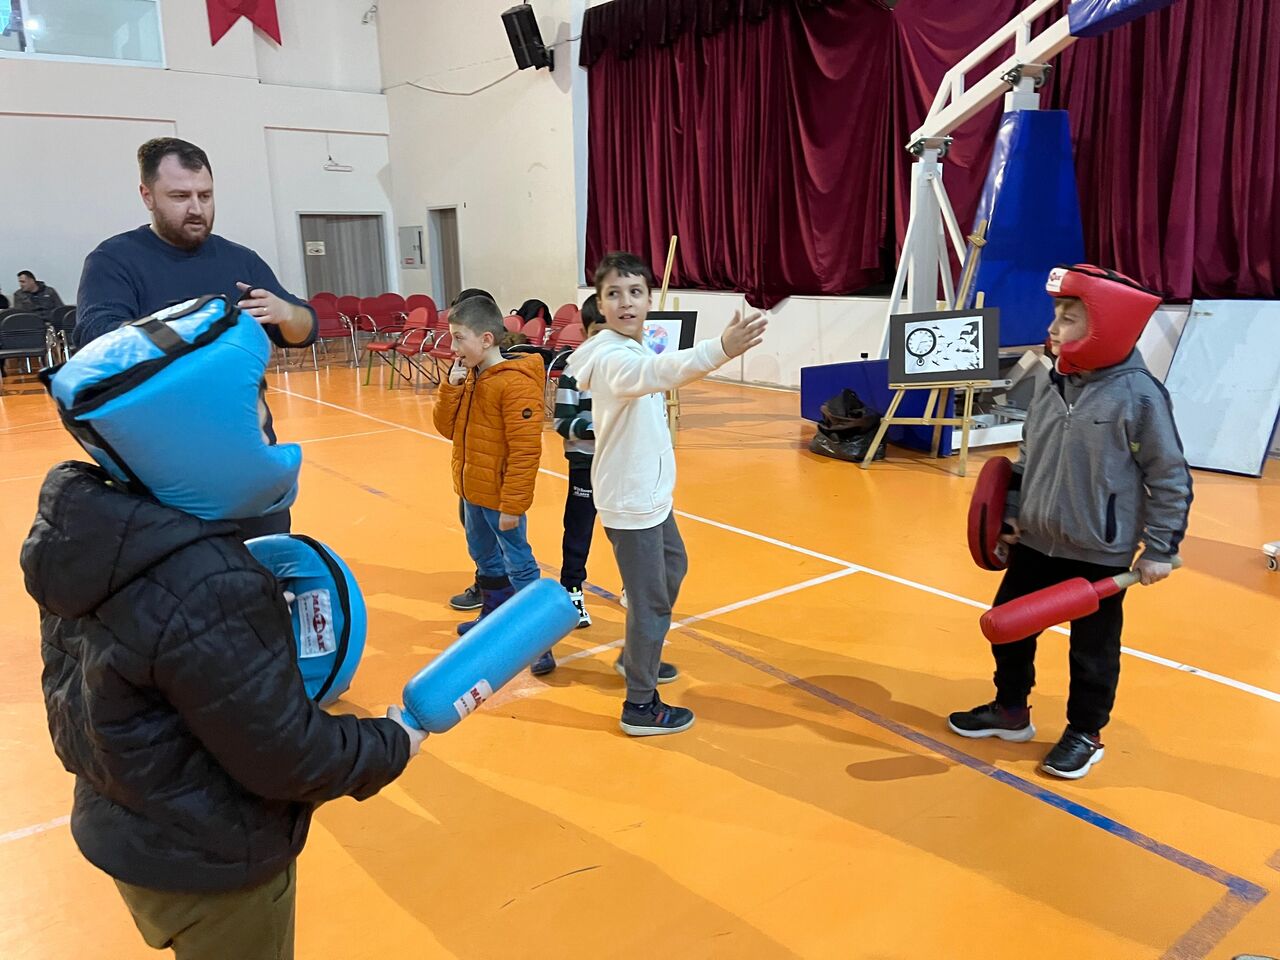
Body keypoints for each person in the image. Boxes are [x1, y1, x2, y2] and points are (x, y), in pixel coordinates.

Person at [21, 322, 424, 960]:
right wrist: (392, 742)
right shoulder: (213, 584)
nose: (269, 427)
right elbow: (290, 757)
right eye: (255, 409)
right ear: (204, 434)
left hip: (126, 828)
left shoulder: (87, 536)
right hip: (212, 860)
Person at [947, 264, 1192, 779]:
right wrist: (1012, 515)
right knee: (1008, 629)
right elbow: (1028, 457)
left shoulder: (1140, 396)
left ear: (1108, 325)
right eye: (1055, 314)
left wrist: (1160, 549)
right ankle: (1011, 711)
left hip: (1098, 552)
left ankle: (1085, 732)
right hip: (1036, 540)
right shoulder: (1051, 381)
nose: (1053, 328)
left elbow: (1168, 476)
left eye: (1068, 317)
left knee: (1091, 652)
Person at [566, 251, 767, 736]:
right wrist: (720, 348)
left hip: (651, 495)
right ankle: (640, 705)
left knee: (672, 568)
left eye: (635, 292)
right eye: (614, 294)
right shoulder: (612, 357)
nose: (626, 302)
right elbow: (656, 374)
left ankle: (635, 657)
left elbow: (655, 371)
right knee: (651, 600)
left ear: (648, 300)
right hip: (631, 500)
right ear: (600, 304)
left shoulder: (633, 347)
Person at [74, 137, 316, 539]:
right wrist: (188, 328)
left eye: (205, 195)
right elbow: (97, 337)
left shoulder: (240, 260)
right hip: (161, 474)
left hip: (246, 462)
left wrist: (286, 312)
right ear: (147, 196)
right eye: (180, 196)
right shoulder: (114, 260)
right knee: (183, 573)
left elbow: (307, 330)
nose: (196, 208)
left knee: (263, 565)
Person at [432, 294, 545, 633]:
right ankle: (494, 620)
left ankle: (536, 638)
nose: (453, 347)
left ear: (485, 339)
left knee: (519, 562)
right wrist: (450, 389)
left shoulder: (515, 383)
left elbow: (525, 452)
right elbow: (447, 429)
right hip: (472, 491)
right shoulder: (470, 375)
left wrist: (513, 505)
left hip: (500, 496)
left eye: (458, 338)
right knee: (484, 555)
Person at [527, 295, 605, 677]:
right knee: (579, 529)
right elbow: (562, 422)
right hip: (585, 463)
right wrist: (601, 429)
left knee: (624, 530)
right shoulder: (575, 370)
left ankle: (632, 586)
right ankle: (572, 587)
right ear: (587, 332)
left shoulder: (629, 368)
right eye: (599, 332)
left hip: (619, 465)